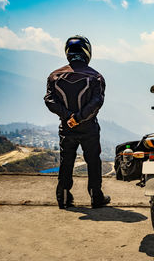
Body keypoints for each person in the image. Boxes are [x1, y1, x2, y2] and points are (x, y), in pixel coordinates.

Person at [44, 35, 110, 209]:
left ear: (67, 52)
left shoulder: (54, 76)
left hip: (66, 127)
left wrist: (68, 117)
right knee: (93, 161)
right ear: (87, 52)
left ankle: (63, 197)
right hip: (88, 127)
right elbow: (97, 103)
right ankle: (96, 197)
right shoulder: (96, 77)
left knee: (67, 161)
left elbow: (49, 101)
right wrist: (79, 118)